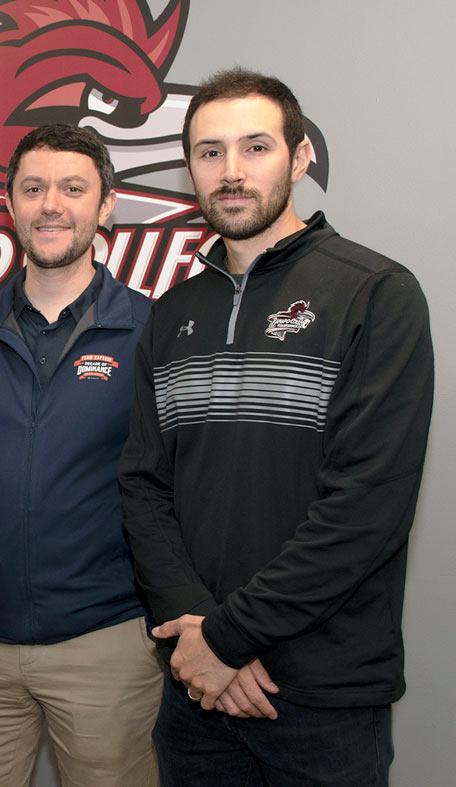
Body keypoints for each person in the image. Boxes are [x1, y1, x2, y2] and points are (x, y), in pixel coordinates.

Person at [119, 68, 434, 785]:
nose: (230, 172)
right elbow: (142, 487)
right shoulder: (171, 314)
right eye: (208, 152)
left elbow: (367, 508)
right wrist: (196, 633)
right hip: (195, 692)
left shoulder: (376, 294)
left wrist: (227, 637)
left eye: (255, 147)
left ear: (299, 159)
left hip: (322, 700)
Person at [0, 124, 161, 786]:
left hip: (105, 640)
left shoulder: (152, 333)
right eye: (33, 188)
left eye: (73, 188)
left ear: (106, 205)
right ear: (11, 203)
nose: (51, 204)